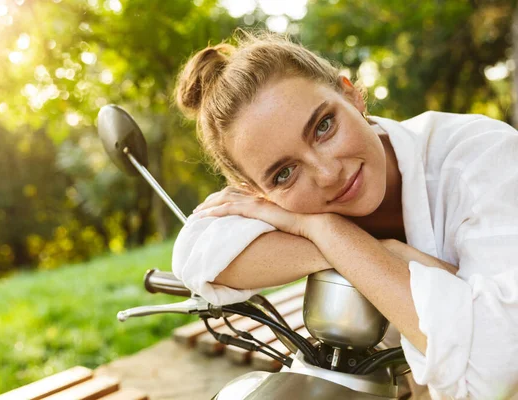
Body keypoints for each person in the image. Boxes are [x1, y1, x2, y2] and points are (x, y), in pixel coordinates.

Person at [171, 31, 518, 399]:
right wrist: (345, 241)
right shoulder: (284, 205)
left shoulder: (480, 156)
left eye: (323, 127)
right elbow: (194, 253)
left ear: (351, 95)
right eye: (283, 173)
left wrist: (338, 238)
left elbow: (498, 366)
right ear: (256, 192)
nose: (327, 174)